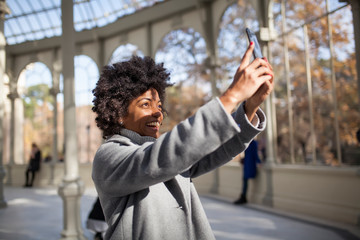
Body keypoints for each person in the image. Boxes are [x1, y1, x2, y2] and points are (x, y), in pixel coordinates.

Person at [91, 42, 274, 240]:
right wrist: (233, 96)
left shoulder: (166, 153)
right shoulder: (108, 155)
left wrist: (251, 106)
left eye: (159, 105)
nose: (158, 113)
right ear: (119, 112)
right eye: (145, 104)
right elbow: (160, 159)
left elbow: (214, 149)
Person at [234, 139, 261, 205]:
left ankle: (243, 197)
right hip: (247, 164)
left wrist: (259, 162)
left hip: (250, 164)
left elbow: (255, 153)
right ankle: (243, 196)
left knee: (245, 180)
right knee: (244, 180)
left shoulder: (253, 143)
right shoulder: (248, 142)